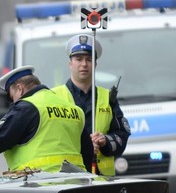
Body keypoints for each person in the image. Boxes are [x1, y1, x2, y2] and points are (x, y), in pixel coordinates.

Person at [0, 66, 85, 172]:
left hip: (39, 185)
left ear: (19, 88)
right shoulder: (75, 109)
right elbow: (87, 152)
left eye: (11, 97)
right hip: (75, 183)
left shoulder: (26, 107)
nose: (13, 102)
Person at [51, 34, 131, 176]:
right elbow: (51, 139)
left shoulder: (108, 97)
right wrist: (85, 147)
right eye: (79, 59)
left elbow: (122, 136)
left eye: (89, 60)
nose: (84, 64)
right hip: (68, 177)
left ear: (95, 64)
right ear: (70, 63)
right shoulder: (54, 97)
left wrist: (105, 141)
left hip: (102, 179)